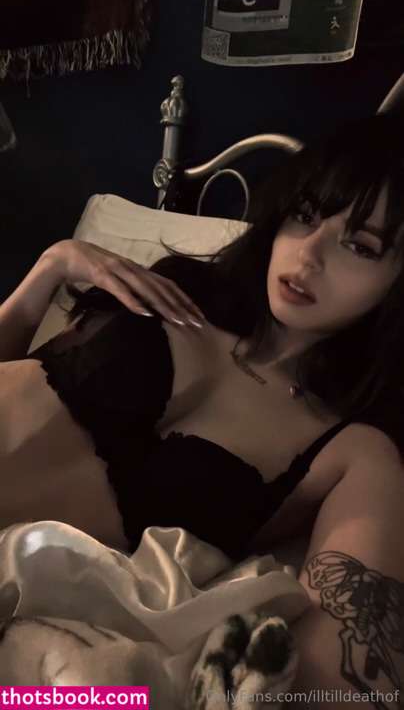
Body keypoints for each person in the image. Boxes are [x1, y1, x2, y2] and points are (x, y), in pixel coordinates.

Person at [1, 113, 404, 702]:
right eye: (306, 214)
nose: (309, 253)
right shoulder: (174, 287)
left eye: (360, 246)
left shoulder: (355, 451)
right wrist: (53, 266)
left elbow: (349, 674)